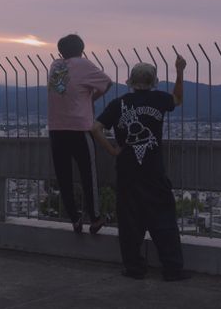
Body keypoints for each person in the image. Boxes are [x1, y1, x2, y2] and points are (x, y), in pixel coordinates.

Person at [91, 55, 191, 281]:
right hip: (154, 171)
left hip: (127, 172)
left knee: (129, 222)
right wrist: (180, 71)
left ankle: (134, 268)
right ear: (154, 81)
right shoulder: (158, 99)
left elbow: (95, 128)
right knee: (163, 219)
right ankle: (173, 269)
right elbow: (177, 98)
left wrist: (114, 150)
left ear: (130, 82)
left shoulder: (119, 104)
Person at [48, 34, 113, 234]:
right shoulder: (84, 65)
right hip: (79, 127)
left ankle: (75, 218)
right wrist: (91, 98)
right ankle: (94, 217)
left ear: (60, 51)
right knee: (88, 175)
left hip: (56, 128)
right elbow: (107, 82)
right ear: (82, 49)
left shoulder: (55, 66)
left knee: (63, 176)